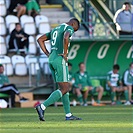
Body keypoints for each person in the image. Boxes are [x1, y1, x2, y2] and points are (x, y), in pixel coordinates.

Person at [36, 18, 81, 121]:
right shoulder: (69, 28)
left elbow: (40, 39)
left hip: (52, 59)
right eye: (76, 29)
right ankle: (42, 107)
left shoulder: (55, 29)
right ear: (73, 23)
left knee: (64, 87)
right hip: (60, 59)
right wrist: (65, 53)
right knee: (65, 88)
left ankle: (68, 115)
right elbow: (66, 37)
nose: (74, 31)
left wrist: (48, 54)